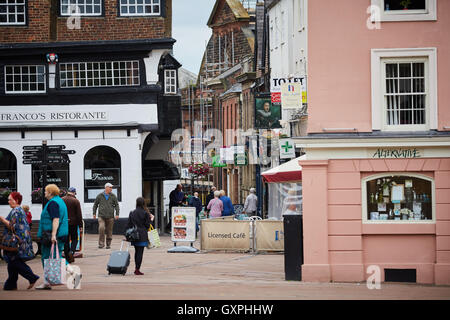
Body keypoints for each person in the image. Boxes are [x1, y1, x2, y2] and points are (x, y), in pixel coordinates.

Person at [0, 192, 39, 291]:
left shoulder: (16, 211)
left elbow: (13, 226)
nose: (8, 201)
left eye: (10, 199)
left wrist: (2, 219)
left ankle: (31, 277)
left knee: (14, 261)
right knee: (12, 261)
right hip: (21, 239)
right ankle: (11, 284)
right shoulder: (19, 210)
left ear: (16, 200)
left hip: (17, 241)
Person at [35, 184, 69, 290]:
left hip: (51, 234)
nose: (44, 193)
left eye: (45, 191)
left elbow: (55, 219)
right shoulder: (60, 201)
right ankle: (73, 272)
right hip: (60, 233)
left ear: (50, 192)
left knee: (46, 257)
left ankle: (47, 282)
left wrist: (53, 235)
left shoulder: (53, 203)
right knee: (56, 256)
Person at [126, 197, 151, 275]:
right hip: (142, 235)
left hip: (134, 235)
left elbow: (129, 225)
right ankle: (137, 269)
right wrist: (151, 219)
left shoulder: (132, 212)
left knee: (136, 251)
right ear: (144, 203)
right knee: (140, 252)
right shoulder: (145, 213)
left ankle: (136, 268)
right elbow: (147, 225)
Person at [92, 182, 120, 249]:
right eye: (110, 187)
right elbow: (95, 205)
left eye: (111, 187)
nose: (111, 189)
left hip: (110, 217)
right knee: (101, 228)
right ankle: (101, 244)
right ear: (106, 188)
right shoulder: (100, 195)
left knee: (109, 231)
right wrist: (94, 213)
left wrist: (117, 214)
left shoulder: (113, 196)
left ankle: (108, 244)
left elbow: (116, 205)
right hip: (101, 216)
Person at [62, 187, 83, 263]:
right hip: (73, 223)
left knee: (66, 240)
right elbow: (79, 215)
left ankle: (67, 256)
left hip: (64, 223)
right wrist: (81, 226)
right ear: (74, 193)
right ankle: (72, 252)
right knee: (74, 238)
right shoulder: (76, 201)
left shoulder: (62, 199)